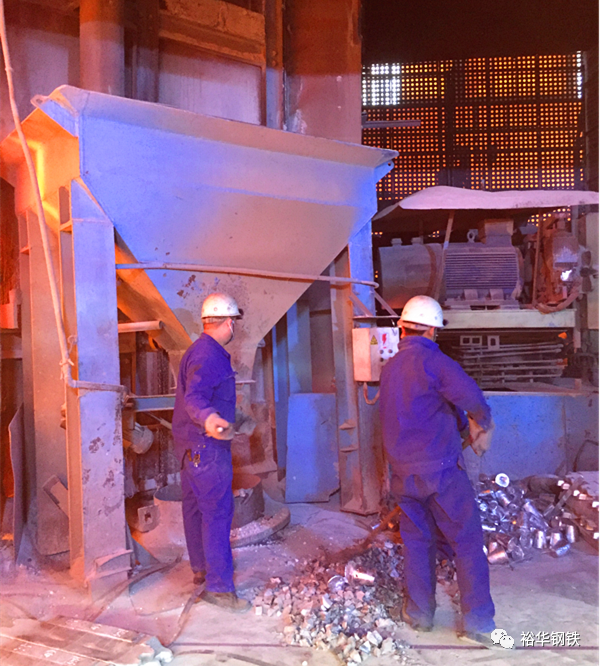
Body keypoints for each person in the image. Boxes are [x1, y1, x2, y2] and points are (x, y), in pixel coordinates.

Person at [379, 295, 496, 646]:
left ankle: (419, 615)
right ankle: (478, 622)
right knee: (467, 541)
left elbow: (423, 408)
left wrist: (460, 424)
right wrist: (483, 422)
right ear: (432, 330)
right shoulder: (436, 362)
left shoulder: (389, 368)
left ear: (402, 328)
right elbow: (470, 397)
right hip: (441, 473)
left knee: (417, 542)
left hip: (403, 475)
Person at [172, 292, 250, 613]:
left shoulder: (197, 350)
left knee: (194, 510)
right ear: (228, 322)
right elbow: (195, 398)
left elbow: (204, 395)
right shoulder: (210, 355)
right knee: (217, 515)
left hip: (190, 449)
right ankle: (219, 589)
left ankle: (201, 569)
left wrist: (236, 418)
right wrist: (209, 419)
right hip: (207, 449)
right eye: (234, 322)